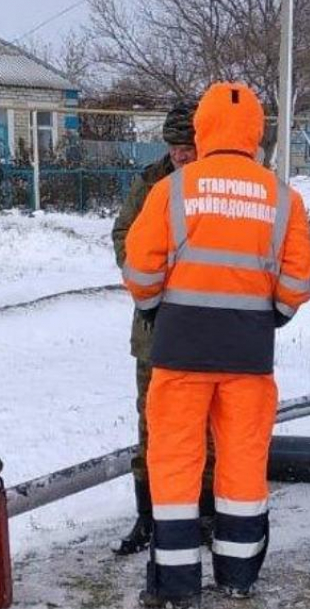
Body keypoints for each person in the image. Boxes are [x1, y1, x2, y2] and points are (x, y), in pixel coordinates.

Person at [123, 82, 310, 609]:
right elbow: (299, 282)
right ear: (256, 132)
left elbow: (139, 269)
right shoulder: (282, 197)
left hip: (179, 352)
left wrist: (156, 308)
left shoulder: (174, 190)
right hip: (248, 356)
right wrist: (268, 314)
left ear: (204, 128)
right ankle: (238, 574)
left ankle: (176, 584)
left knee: (175, 462)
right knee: (242, 461)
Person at [111, 101, 218, 556]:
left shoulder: (218, 183)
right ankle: (148, 516)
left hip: (207, 326)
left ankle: (207, 514)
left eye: (188, 146)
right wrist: (146, 282)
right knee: (151, 425)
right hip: (154, 328)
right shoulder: (150, 182)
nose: (181, 155)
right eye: (175, 147)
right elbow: (123, 235)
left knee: (208, 427)